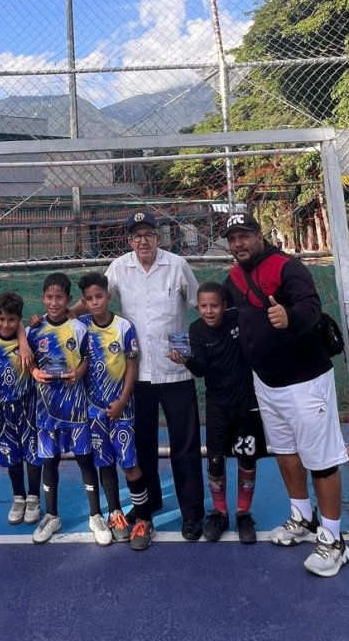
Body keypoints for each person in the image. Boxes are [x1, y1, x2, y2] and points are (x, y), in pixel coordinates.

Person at [223, 212, 349, 577]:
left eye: (244, 236)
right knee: (285, 451)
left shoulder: (286, 267)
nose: (239, 244)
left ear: (259, 235)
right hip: (267, 381)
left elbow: (311, 307)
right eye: (233, 239)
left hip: (306, 380)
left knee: (322, 459)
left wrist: (289, 317)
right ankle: (303, 517)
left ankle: (333, 539)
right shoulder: (234, 277)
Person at [89, 210, 205, 540]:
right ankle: (149, 503)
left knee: (185, 446)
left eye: (149, 235)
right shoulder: (118, 268)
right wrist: (64, 315)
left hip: (175, 372)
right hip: (136, 374)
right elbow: (98, 301)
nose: (143, 241)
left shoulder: (177, 265)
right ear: (128, 240)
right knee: (142, 445)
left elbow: (199, 305)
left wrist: (191, 347)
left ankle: (192, 512)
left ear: (158, 237)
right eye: (136, 236)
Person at [169, 281, 265, 545]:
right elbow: (199, 369)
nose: (209, 311)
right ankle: (220, 512)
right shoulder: (196, 330)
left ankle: (243, 513)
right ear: (197, 307)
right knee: (215, 461)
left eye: (214, 305)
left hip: (247, 405)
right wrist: (184, 359)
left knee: (247, 459)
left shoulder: (238, 319)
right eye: (203, 306)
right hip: (217, 406)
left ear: (225, 307)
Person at [28, 272, 112, 546]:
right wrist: (34, 372)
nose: (54, 303)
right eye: (49, 297)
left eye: (59, 297)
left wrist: (79, 372)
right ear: (42, 298)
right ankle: (51, 514)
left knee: (85, 460)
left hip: (76, 410)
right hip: (46, 410)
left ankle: (95, 515)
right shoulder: (33, 330)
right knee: (49, 462)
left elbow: (87, 359)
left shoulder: (79, 328)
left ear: (68, 300)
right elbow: (28, 362)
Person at [78, 272, 155, 551]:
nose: (95, 302)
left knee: (129, 463)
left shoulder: (124, 327)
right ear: (84, 301)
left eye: (99, 296)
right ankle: (116, 514)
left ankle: (145, 520)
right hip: (95, 410)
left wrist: (123, 400)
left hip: (122, 408)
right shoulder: (82, 326)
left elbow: (132, 365)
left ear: (109, 296)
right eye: (89, 298)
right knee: (104, 462)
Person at [0, 291, 42, 526]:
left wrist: (24, 339)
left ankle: (34, 498)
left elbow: (29, 326)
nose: (5, 324)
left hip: (28, 405)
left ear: (19, 320)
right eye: (1, 319)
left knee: (33, 454)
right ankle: (19, 497)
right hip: (1, 408)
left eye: (11, 320)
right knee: (11, 454)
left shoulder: (30, 337)